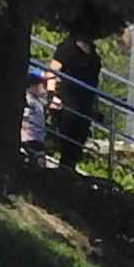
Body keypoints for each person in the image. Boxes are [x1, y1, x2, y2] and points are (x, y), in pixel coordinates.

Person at [47, 32, 101, 179]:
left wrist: (96, 107)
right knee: (67, 138)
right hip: (68, 100)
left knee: (79, 140)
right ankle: (62, 173)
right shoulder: (67, 48)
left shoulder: (94, 56)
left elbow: (94, 84)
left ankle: (69, 172)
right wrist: (51, 96)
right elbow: (52, 71)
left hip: (86, 104)